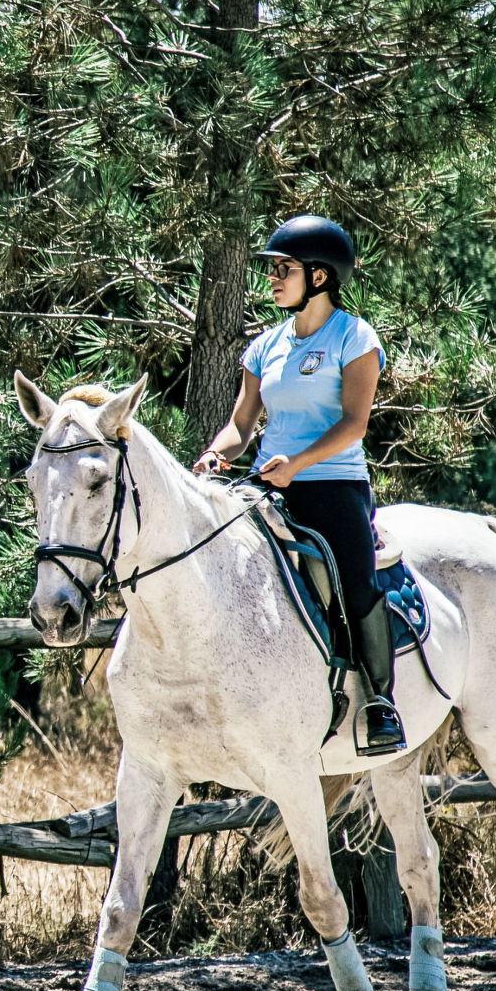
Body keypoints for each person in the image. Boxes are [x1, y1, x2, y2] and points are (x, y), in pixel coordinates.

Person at [193, 215, 404, 755]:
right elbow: (241, 425)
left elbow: (354, 423)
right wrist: (216, 454)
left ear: (319, 276)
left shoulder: (354, 338)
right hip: (269, 487)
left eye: (283, 269)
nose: (272, 278)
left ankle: (381, 703)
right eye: (272, 269)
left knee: (356, 583)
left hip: (333, 486)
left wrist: (299, 462)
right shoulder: (265, 346)